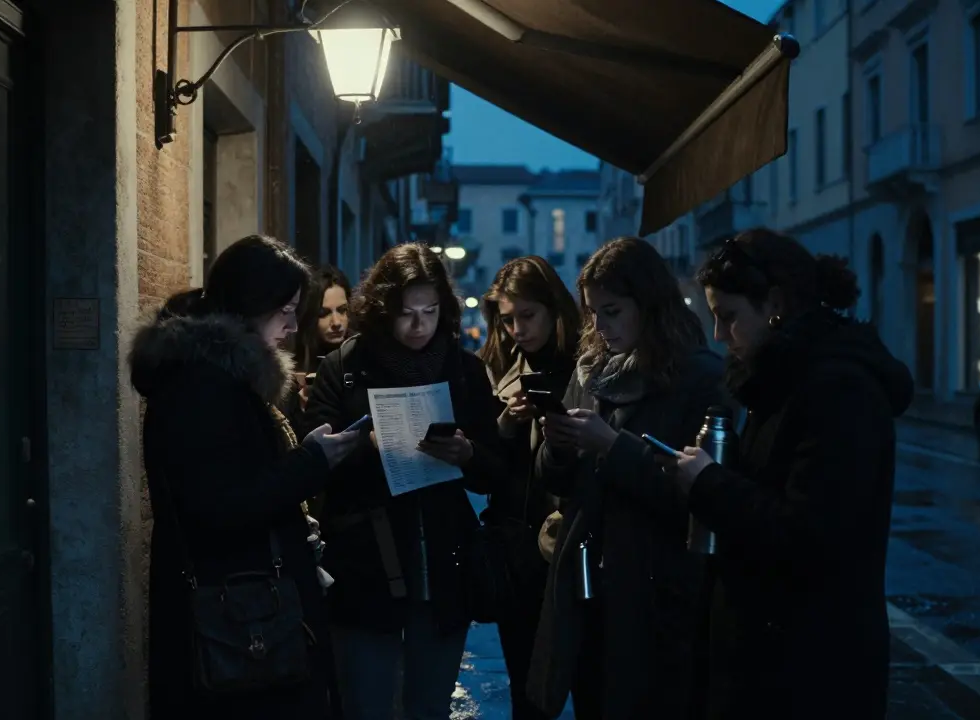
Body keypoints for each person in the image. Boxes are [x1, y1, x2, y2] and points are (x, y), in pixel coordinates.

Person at [663, 228, 913, 719]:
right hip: (769, 657)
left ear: (774, 304)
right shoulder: (779, 377)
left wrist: (709, 483)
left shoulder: (837, 389)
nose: (718, 335)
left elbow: (810, 535)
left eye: (728, 316)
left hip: (809, 672)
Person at [129, 235, 361, 719]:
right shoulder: (203, 387)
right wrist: (312, 462)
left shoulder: (214, 377)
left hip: (243, 614)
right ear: (252, 305)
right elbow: (221, 507)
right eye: (287, 309)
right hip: (237, 623)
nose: (294, 325)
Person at [301, 243, 506, 720]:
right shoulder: (344, 369)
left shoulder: (464, 369)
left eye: (430, 312)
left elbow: (498, 469)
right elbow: (313, 462)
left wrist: (468, 453)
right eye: (406, 313)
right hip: (365, 566)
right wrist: (366, 447)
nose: (419, 325)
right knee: (367, 704)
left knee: (429, 705)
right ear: (381, 310)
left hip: (443, 564)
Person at [525, 237, 726, 720]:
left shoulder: (697, 377)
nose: (599, 326)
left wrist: (611, 448)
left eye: (611, 311)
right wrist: (557, 444)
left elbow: (699, 497)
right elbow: (558, 484)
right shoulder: (594, 371)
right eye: (592, 312)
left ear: (648, 305)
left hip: (656, 594)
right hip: (591, 584)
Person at [475, 255, 582, 720]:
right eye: (507, 319)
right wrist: (503, 425)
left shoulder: (585, 365)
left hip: (570, 541)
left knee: (581, 677)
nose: (517, 329)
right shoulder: (496, 366)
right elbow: (483, 470)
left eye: (527, 316)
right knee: (526, 688)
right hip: (516, 547)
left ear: (553, 308)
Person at [287, 265, 353, 423]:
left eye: (342, 310)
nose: (336, 322)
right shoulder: (290, 370)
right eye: (324, 313)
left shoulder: (359, 357)